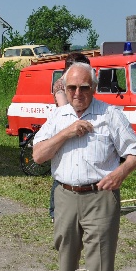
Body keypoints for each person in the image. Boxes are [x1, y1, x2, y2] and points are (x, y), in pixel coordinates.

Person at [33, 62, 136, 271]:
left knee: (100, 261)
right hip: (66, 195)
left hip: (100, 197)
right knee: (66, 252)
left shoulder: (110, 115)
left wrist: (120, 173)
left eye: (84, 87)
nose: (78, 93)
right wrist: (67, 132)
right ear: (64, 88)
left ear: (93, 88)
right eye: (72, 87)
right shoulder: (58, 116)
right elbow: (38, 156)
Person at [48, 52, 92, 221]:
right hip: (65, 129)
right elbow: (63, 106)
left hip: (76, 128)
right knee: (62, 171)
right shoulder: (60, 84)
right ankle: (54, 211)